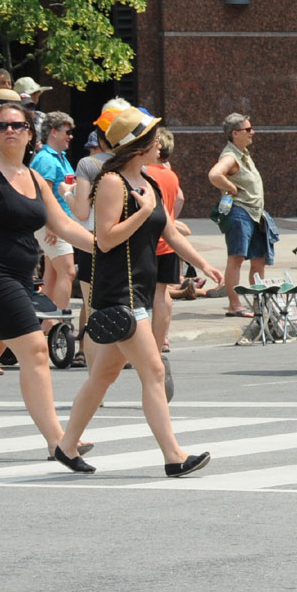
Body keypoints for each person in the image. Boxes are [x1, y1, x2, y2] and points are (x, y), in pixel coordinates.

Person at [53, 108, 223, 476]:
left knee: (103, 374)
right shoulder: (112, 183)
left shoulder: (149, 181)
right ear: (137, 145)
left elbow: (170, 232)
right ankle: (174, 456)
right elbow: (105, 239)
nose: (159, 143)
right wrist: (142, 212)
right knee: (154, 371)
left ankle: (66, 446)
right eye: (153, 137)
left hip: (139, 290)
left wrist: (203, 263)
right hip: (120, 292)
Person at [0, 101, 96, 460]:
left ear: (30, 133)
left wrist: (102, 247)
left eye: (17, 125)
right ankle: (58, 441)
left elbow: (62, 225)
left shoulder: (33, 177)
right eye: (2, 126)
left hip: (19, 277)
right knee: (35, 349)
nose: (9, 131)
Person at [208, 113, 272, 318]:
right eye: (248, 129)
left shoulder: (243, 153)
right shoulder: (230, 156)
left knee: (258, 259)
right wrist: (231, 188)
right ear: (235, 133)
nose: (253, 132)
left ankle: (258, 303)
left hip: (254, 214)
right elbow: (214, 175)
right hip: (240, 212)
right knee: (236, 258)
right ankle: (234, 306)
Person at [29, 110, 78, 323]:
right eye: (67, 132)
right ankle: (60, 322)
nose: (71, 136)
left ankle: (46, 326)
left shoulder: (60, 158)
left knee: (52, 275)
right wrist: (50, 225)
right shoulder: (46, 160)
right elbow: (42, 195)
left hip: (61, 223)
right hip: (53, 224)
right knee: (68, 272)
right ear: (54, 132)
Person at [147, 127, 186, 352]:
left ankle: (142, 348)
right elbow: (179, 199)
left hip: (148, 243)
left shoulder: (145, 172)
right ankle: (161, 341)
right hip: (168, 244)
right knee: (162, 294)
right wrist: (171, 219)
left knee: (142, 298)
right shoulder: (171, 175)